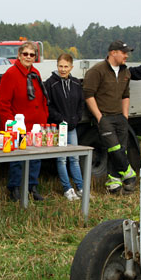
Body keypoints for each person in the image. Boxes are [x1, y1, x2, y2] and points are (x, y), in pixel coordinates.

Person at [82, 40, 137, 194]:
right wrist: (99, 117)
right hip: (104, 118)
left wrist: (125, 116)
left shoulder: (126, 71)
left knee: (121, 150)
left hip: (120, 117)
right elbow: (88, 95)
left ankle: (114, 183)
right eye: (124, 52)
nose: (126, 55)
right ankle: (129, 173)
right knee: (114, 147)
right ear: (113, 52)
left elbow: (125, 95)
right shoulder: (97, 70)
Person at [0, 41, 49, 202]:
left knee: (35, 158)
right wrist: (11, 126)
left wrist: (44, 117)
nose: (28, 57)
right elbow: (3, 103)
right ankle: (15, 188)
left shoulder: (36, 73)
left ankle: (32, 186)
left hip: (36, 125)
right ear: (19, 55)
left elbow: (42, 99)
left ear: (35, 57)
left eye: (31, 55)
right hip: (18, 126)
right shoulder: (11, 74)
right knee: (17, 159)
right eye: (25, 54)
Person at [44, 54, 84, 201]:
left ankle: (81, 188)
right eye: (60, 66)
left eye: (66, 66)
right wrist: (60, 119)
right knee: (61, 159)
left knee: (74, 158)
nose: (63, 69)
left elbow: (81, 102)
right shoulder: (50, 84)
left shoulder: (75, 83)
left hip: (72, 126)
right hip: (59, 127)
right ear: (57, 66)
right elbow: (48, 106)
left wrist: (77, 118)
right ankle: (67, 189)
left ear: (71, 67)